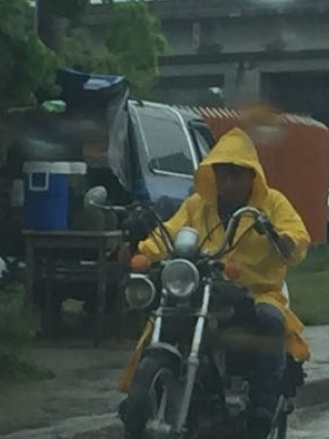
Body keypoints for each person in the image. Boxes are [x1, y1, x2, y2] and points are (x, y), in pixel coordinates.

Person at [119, 127, 311, 438]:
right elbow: (167, 233)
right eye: (223, 175)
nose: (229, 183)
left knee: (269, 321)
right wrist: (141, 251)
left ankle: (262, 411)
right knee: (164, 320)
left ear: (253, 176)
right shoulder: (198, 205)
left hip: (256, 292)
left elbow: (297, 237)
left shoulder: (272, 203)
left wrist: (283, 240)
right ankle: (140, 399)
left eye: (237, 175)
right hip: (203, 287)